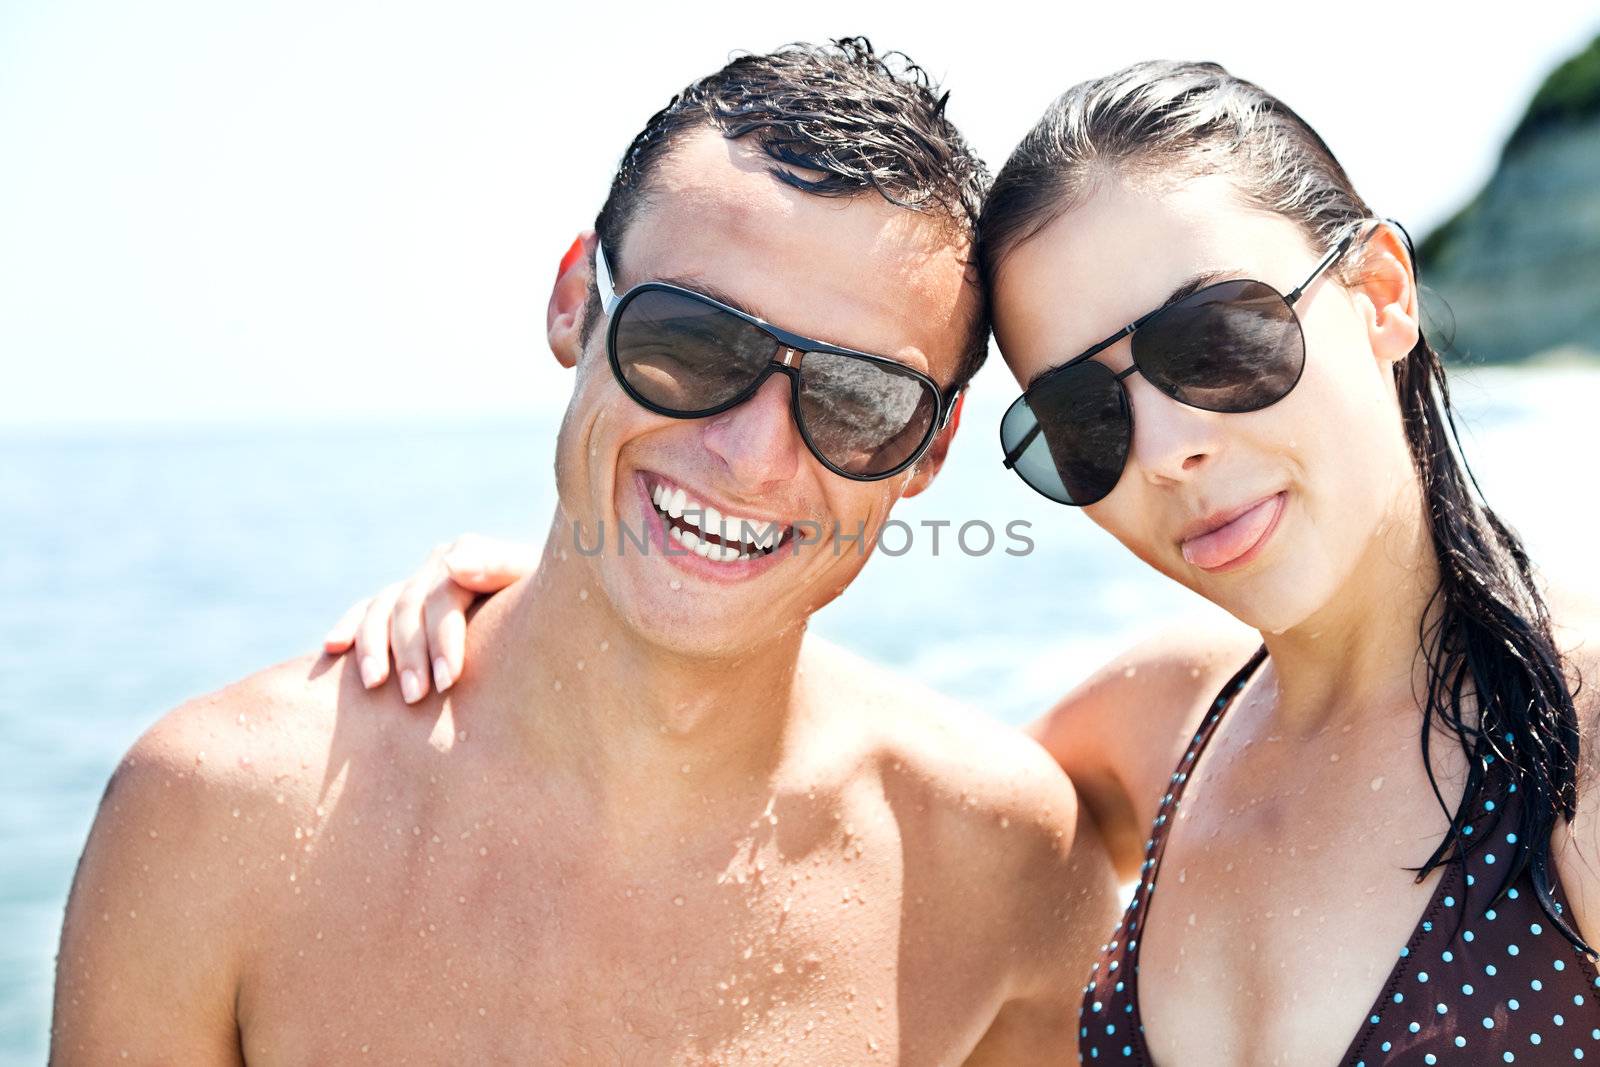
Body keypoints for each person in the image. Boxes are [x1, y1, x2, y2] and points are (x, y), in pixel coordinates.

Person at [341, 61, 1600, 1062]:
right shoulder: (1157, 726)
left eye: (1215, 341)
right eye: (1082, 419)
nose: (1162, 449)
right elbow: (816, 795)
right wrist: (575, 608)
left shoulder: (1575, 750)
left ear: (1381, 292)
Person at [50, 41, 1119, 1065]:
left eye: (856, 399)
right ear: (575, 301)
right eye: (692, 341)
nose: (752, 455)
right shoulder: (219, 815)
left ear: (929, 445)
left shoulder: (1005, 865)